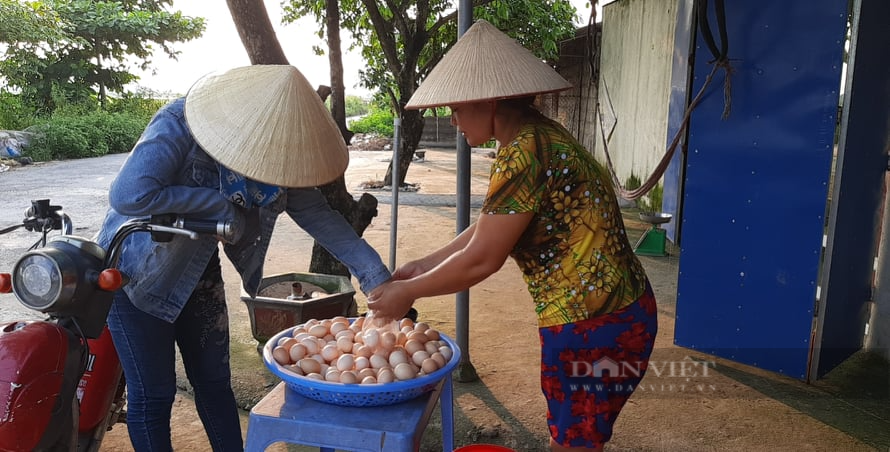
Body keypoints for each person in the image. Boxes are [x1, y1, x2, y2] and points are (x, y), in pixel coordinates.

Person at [367, 20, 658, 452]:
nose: (453, 119)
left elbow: (485, 258)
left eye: (458, 107)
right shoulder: (535, 136)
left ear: (489, 100)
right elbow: (491, 225)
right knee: (578, 437)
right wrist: (421, 268)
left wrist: (409, 292)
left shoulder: (523, 150)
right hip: (616, 313)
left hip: (592, 324)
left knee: (575, 442)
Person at [97, 65, 391, 452]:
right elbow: (130, 194)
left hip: (195, 273)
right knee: (154, 395)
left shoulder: (281, 157)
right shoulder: (180, 123)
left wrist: (377, 278)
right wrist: (217, 206)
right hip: (133, 274)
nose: (271, 160)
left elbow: (319, 215)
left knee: (215, 384)